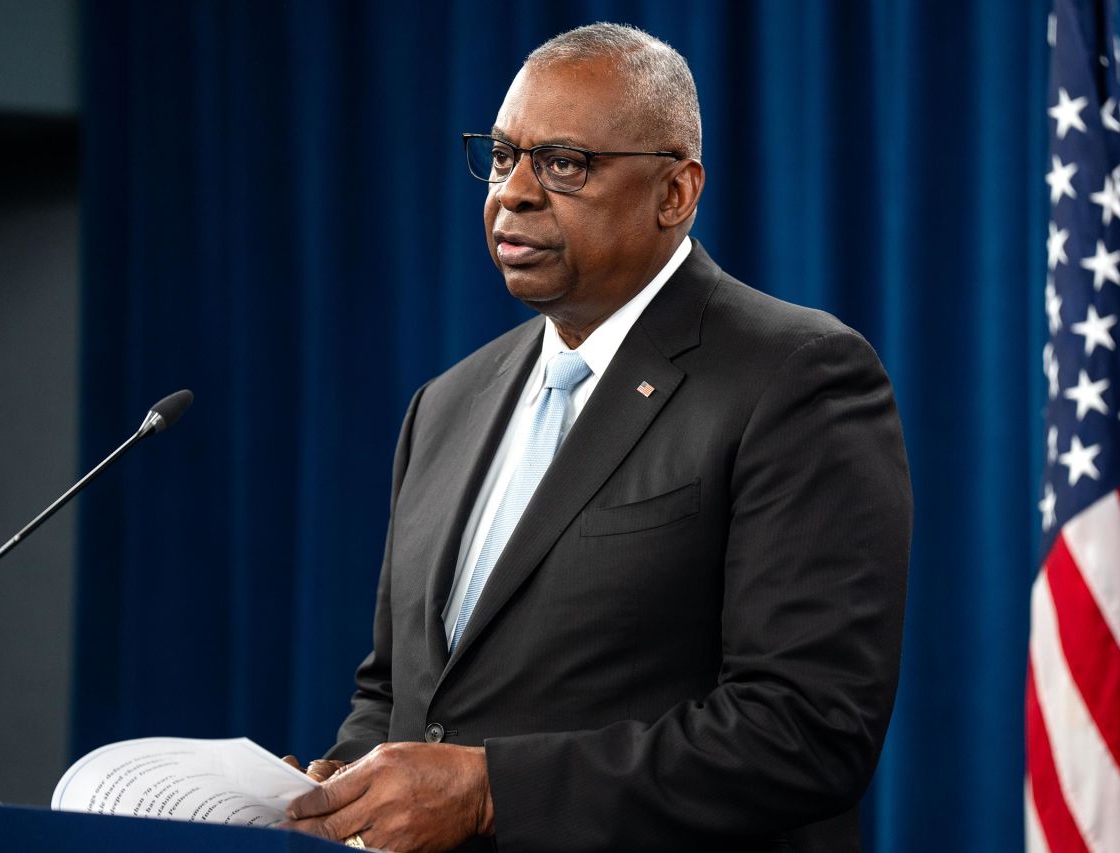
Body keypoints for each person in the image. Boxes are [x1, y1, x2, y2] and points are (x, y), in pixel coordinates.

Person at [283, 22, 912, 853]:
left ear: (675, 193)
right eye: (503, 155)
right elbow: (398, 691)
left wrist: (488, 792)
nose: (513, 192)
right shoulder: (446, 404)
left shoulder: (797, 377)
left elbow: (804, 728)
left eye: (563, 163)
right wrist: (343, 778)